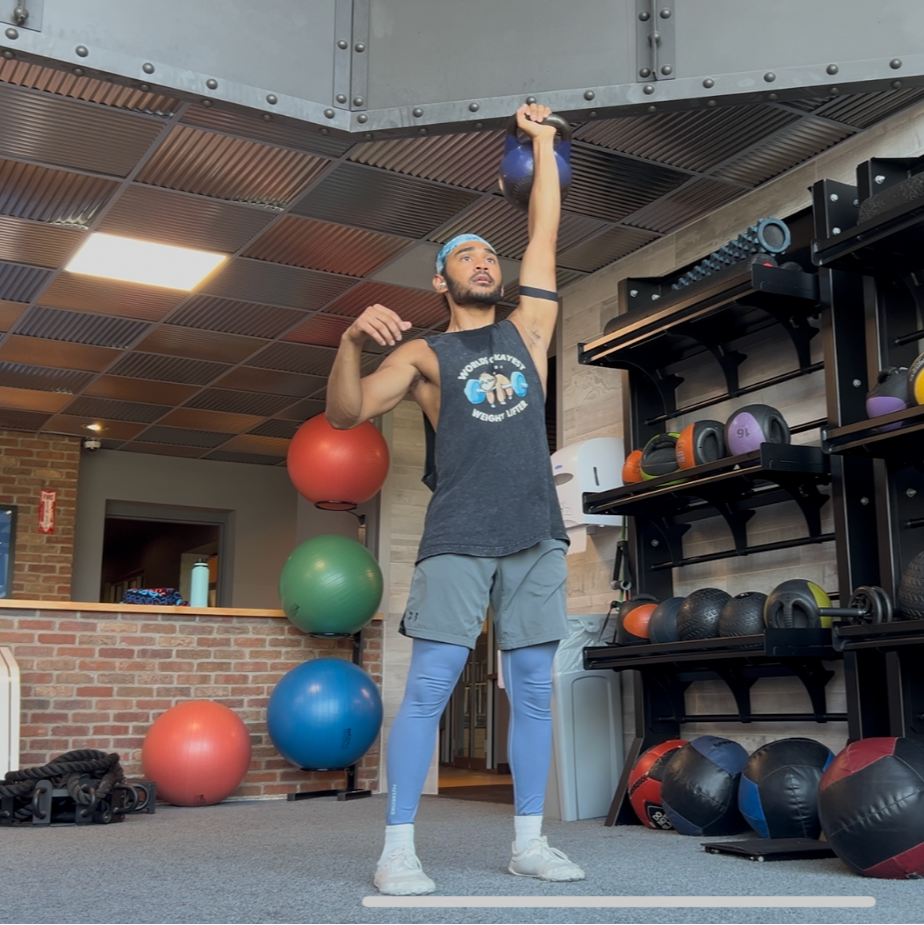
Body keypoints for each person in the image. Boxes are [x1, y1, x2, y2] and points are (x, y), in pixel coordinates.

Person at [325, 102, 583, 896]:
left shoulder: (530, 325)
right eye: (465, 254)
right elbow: (346, 413)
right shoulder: (424, 353)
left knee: (534, 690)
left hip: (536, 531)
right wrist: (347, 341)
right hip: (459, 531)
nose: (483, 261)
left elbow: (543, 230)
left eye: (488, 254)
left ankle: (528, 842)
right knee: (431, 687)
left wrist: (540, 144)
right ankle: (398, 848)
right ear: (439, 279)